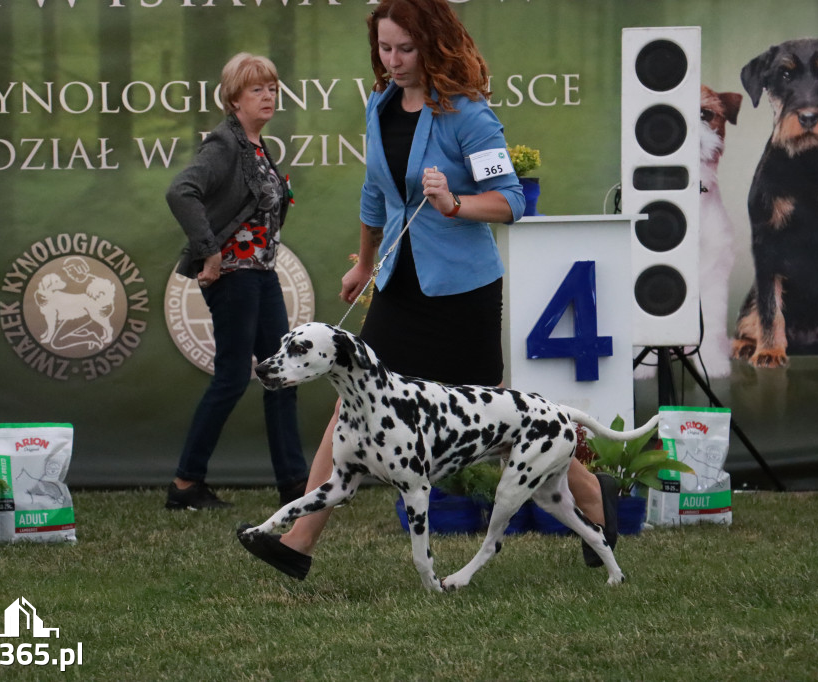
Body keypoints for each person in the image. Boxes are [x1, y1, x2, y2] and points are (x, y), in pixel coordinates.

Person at [238, 0, 617, 577]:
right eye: (385, 48)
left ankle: (592, 505)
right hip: (397, 287)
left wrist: (453, 203)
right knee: (349, 403)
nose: (392, 60)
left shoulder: (469, 115)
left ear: (434, 44)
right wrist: (364, 265)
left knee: (504, 417)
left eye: (405, 49)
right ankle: (298, 544)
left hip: (462, 294)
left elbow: (511, 202)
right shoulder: (380, 104)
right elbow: (375, 193)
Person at [164, 52, 309, 510]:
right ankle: (185, 486)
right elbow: (180, 191)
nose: (267, 97)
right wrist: (208, 250)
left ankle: (294, 486)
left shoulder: (255, 144)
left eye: (271, 88)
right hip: (233, 277)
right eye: (256, 90)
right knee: (230, 378)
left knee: (282, 377)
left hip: (260, 275)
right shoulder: (224, 144)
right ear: (233, 98)